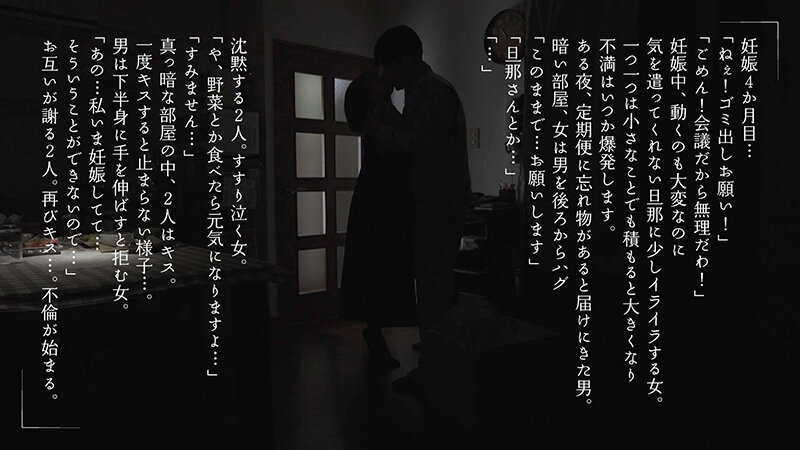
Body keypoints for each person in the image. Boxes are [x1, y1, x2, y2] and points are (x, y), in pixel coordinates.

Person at [368, 25, 472, 394]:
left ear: (404, 62)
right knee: (432, 284)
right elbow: (414, 133)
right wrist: (386, 110)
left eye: (387, 66)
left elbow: (420, 144)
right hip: (434, 201)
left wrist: (381, 131)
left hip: (437, 203)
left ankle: (437, 370)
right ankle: (437, 353)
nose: (384, 75)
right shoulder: (421, 92)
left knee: (433, 286)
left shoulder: (432, 91)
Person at [339, 71, 417, 369]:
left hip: (376, 201)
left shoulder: (380, 118)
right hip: (381, 202)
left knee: (376, 270)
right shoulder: (380, 120)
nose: (386, 82)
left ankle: (374, 332)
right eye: (378, 82)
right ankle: (375, 333)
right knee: (379, 269)